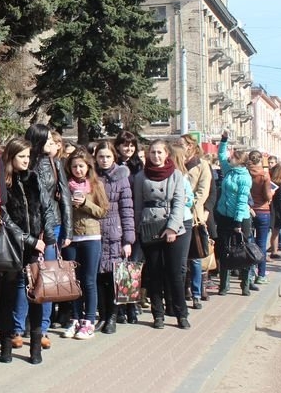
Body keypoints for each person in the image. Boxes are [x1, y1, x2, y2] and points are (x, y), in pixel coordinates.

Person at [0, 137, 57, 364]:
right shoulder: (3, 182)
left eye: (28, 156)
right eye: (21, 156)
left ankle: (36, 347)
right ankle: (6, 346)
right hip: (12, 247)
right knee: (9, 296)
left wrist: (47, 235)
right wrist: (28, 239)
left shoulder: (33, 178)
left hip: (35, 248)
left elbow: (47, 207)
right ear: (11, 157)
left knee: (37, 295)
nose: (26, 160)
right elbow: (4, 217)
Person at [23, 123, 72, 349]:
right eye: (47, 141)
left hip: (51, 227)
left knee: (48, 277)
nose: (51, 145)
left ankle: (42, 327)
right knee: (25, 279)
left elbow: (65, 198)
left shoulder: (55, 163)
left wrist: (67, 231)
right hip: (27, 229)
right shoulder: (25, 161)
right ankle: (20, 327)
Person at [132, 140, 189, 329]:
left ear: (166, 154)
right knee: (154, 273)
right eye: (153, 152)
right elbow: (138, 205)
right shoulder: (141, 176)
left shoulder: (176, 175)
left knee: (175, 273)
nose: (156, 156)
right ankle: (158, 314)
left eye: (159, 152)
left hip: (173, 228)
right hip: (150, 227)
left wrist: (172, 228)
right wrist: (138, 229)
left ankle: (181, 314)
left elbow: (179, 203)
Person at [62, 148, 107, 339]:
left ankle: (89, 321)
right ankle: (75, 318)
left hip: (90, 236)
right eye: (74, 167)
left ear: (88, 167)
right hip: (71, 237)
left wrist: (84, 204)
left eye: (81, 166)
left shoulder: (96, 185)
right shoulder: (65, 185)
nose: (78, 170)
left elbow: (102, 211)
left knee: (89, 280)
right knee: (74, 281)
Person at [92, 142, 135, 329]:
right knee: (98, 277)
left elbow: (127, 209)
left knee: (114, 277)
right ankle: (102, 315)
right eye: (101, 156)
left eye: (108, 156)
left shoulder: (121, 177)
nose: (104, 160)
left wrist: (128, 240)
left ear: (114, 157)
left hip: (114, 232)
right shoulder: (92, 176)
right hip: (95, 231)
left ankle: (113, 316)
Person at [214, 131, 254, 296]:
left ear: (240, 161)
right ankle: (224, 285)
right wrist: (224, 140)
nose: (230, 158)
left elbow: (242, 201)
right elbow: (221, 155)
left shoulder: (245, 178)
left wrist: (237, 222)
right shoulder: (229, 171)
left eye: (233, 157)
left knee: (242, 251)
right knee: (224, 250)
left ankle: (245, 284)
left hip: (240, 218)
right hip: (224, 216)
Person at [180, 135, 212, 308]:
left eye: (181, 145)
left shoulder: (202, 165)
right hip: (176, 215)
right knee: (181, 257)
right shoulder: (176, 163)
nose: (179, 147)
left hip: (194, 216)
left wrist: (191, 204)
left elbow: (203, 190)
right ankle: (183, 289)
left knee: (195, 257)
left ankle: (196, 293)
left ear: (190, 146)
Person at [247, 150, 273, 284]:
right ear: (261, 160)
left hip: (249, 210)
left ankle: (250, 273)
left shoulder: (246, 172)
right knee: (261, 243)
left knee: (249, 243)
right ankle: (261, 274)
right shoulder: (264, 175)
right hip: (263, 210)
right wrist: (272, 193)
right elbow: (267, 196)